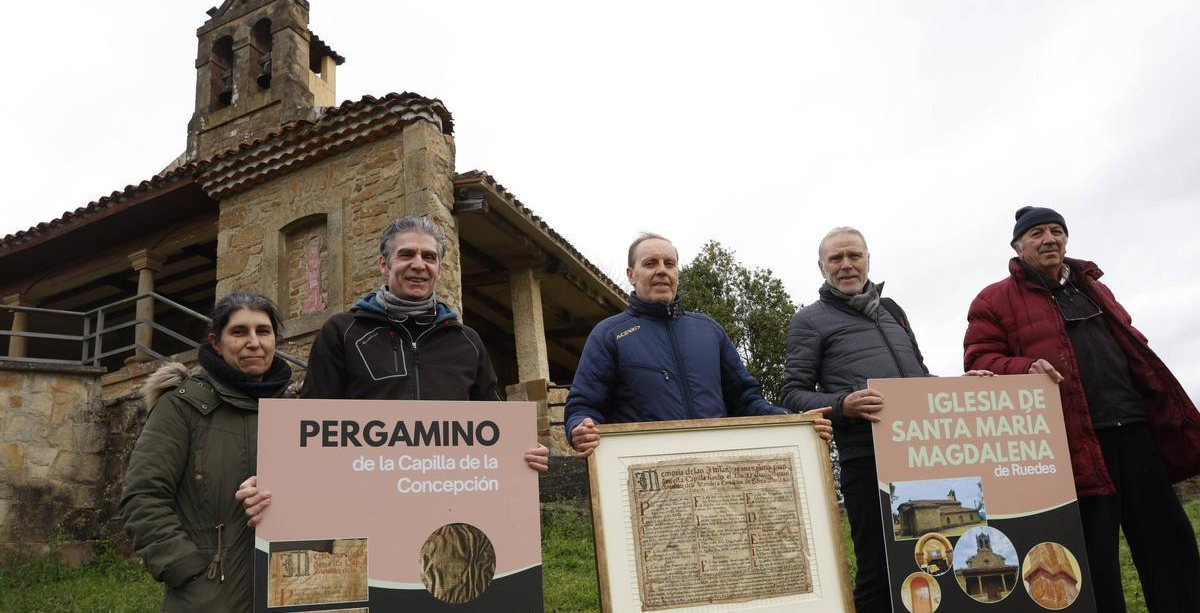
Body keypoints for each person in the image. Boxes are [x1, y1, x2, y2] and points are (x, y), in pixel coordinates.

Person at [964, 206, 1200, 613]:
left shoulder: (1093, 288)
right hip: (1073, 441)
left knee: (1168, 542)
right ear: (1018, 246)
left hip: (1135, 430)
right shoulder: (994, 299)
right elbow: (980, 361)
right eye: (1037, 233)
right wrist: (1025, 368)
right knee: (1094, 555)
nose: (1049, 239)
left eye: (1057, 231)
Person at [239, 216, 548, 524]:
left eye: (429, 257)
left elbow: (493, 425)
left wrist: (523, 453)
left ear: (439, 269)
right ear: (384, 265)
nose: (419, 264)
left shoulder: (467, 341)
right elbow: (309, 427)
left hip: (450, 504)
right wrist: (273, 483)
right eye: (406, 254)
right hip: (361, 507)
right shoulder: (343, 332)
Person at [780, 227, 986, 613]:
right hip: (866, 458)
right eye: (836, 259)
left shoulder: (893, 310)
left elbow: (919, 381)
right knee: (878, 572)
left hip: (923, 455)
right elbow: (792, 393)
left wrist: (960, 389)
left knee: (934, 560)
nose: (846, 265)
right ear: (821, 267)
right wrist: (844, 404)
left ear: (868, 260)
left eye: (854, 256)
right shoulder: (809, 321)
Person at [565, 232, 831, 458]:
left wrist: (793, 421)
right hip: (645, 473)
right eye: (650, 263)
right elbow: (583, 405)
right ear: (631, 274)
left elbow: (745, 400)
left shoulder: (708, 330)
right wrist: (579, 427)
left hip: (715, 470)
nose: (662, 270)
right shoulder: (609, 334)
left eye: (670, 263)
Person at [120, 291, 293, 612]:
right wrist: (184, 567)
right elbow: (143, 495)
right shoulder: (181, 406)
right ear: (216, 343)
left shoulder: (293, 413)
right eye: (239, 332)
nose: (254, 342)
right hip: (209, 595)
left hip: (285, 590)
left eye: (263, 331)